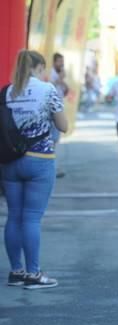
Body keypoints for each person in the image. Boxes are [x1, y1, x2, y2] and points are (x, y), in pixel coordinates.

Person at [2, 50, 67, 289]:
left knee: (14, 216)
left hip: (10, 161)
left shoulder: (8, 91)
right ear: (39, 68)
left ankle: (16, 271)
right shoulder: (47, 89)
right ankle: (33, 274)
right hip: (39, 159)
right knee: (31, 218)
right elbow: (63, 125)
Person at [51, 52, 70, 178]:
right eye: (59, 61)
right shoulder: (50, 73)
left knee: (56, 139)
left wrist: (63, 82)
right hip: (51, 110)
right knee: (51, 139)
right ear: (54, 62)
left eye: (62, 61)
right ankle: (51, 167)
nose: (62, 64)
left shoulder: (60, 74)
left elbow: (65, 91)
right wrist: (60, 79)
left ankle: (53, 166)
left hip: (59, 108)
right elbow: (49, 87)